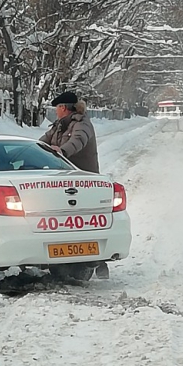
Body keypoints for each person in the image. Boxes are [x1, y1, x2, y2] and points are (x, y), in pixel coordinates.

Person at [40, 90, 109, 279]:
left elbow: (77, 142)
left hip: (85, 180)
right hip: (62, 179)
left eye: (57, 108)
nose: (56, 111)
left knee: (86, 220)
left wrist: (61, 151)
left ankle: (99, 260)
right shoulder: (58, 126)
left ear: (63, 108)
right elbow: (42, 143)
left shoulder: (82, 124)